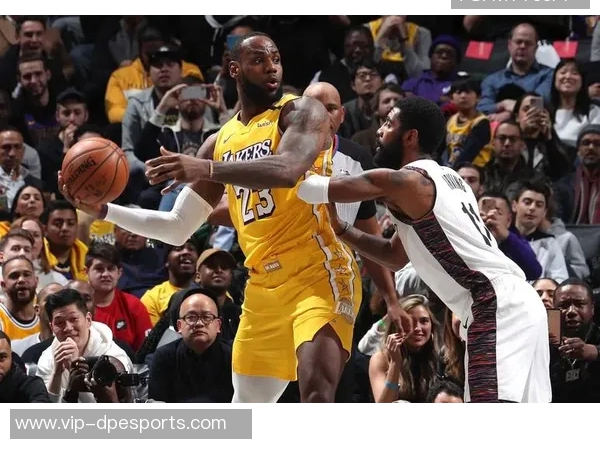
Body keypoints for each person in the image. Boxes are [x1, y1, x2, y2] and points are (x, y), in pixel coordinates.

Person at [57, 32, 412, 404]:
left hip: (318, 274)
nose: (271, 67)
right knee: (245, 411)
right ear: (234, 69)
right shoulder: (220, 140)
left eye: (276, 59)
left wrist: (206, 168)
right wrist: (104, 210)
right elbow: (177, 227)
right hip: (263, 287)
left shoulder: (302, 111)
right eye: (259, 60)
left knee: (316, 398)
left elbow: (288, 169)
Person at [297, 96, 552, 403]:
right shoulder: (450, 179)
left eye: (388, 123)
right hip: (519, 301)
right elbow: (394, 256)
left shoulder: (408, 180)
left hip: (493, 303)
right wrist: (342, 230)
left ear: (410, 136)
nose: (379, 131)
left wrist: (294, 150)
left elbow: (310, 188)